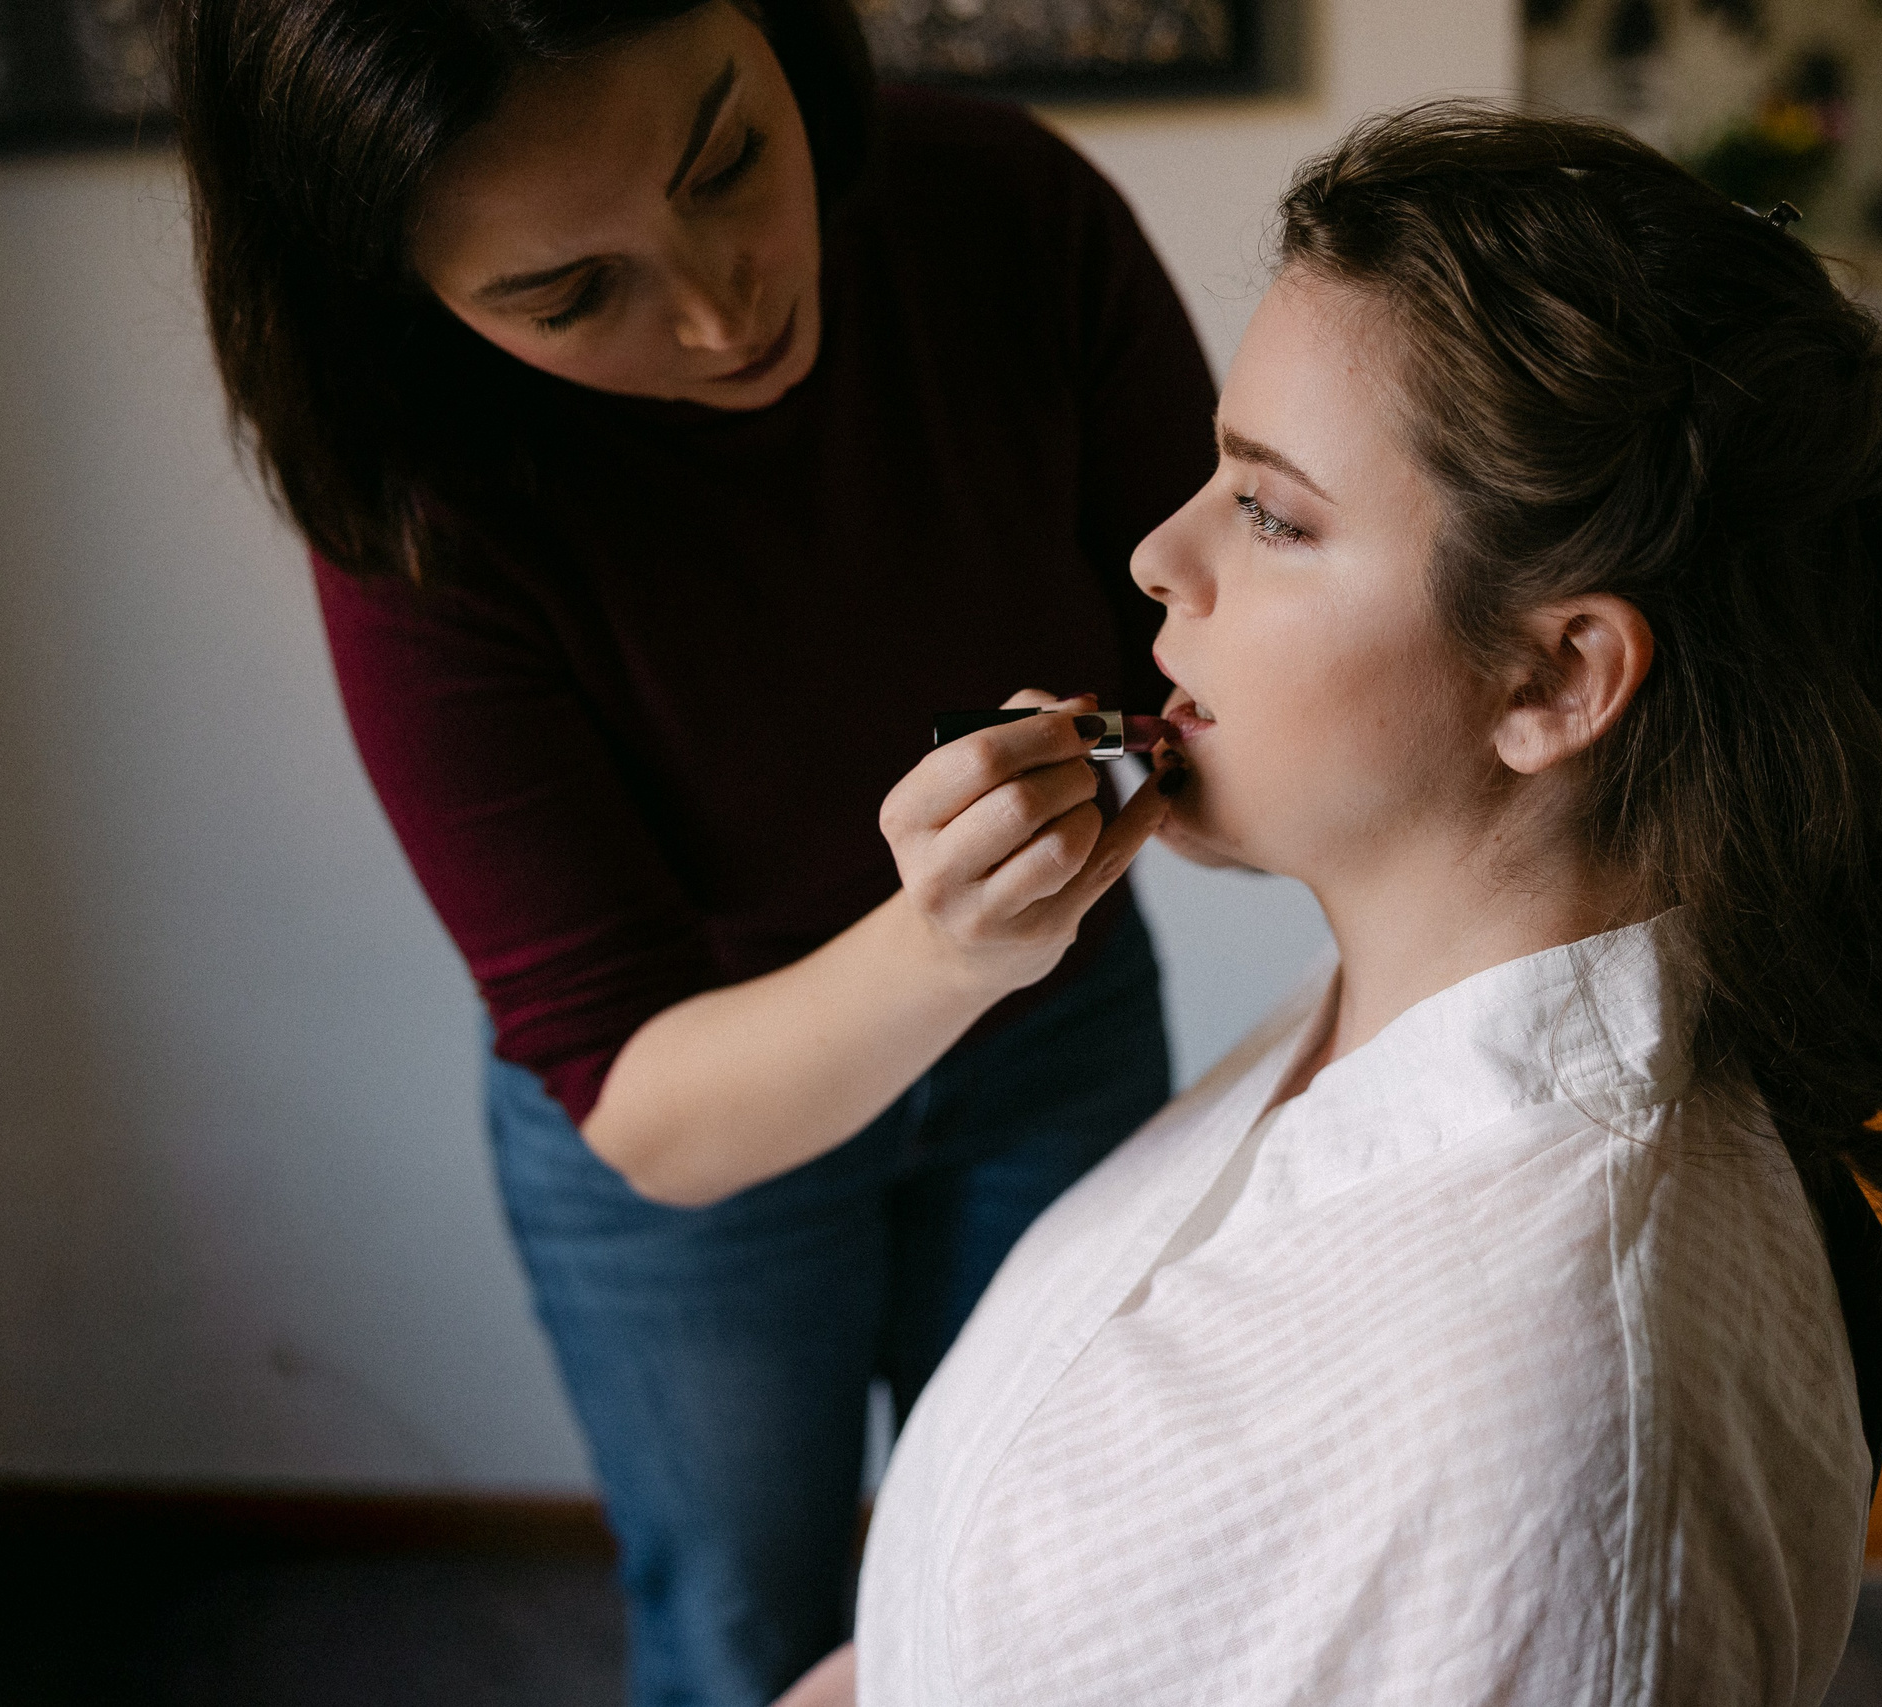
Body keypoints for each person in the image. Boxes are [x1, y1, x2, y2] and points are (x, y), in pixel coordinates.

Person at [787, 102, 1882, 1706]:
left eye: (1272, 513)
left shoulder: (1547, 1444)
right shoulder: (1384, 1013)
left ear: (1555, 673)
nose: (1160, 556)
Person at [167, 4, 1213, 1703]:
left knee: (1067, 1579)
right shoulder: (421, 495)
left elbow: (1212, 663)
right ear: (401, 297)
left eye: (727, 159)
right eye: (569, 294)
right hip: (693, 1120)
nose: (726, 308)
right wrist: (942, 945)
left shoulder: (1003, 211)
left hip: (1055, 1040)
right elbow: (647, 1100)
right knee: (740, 1627)